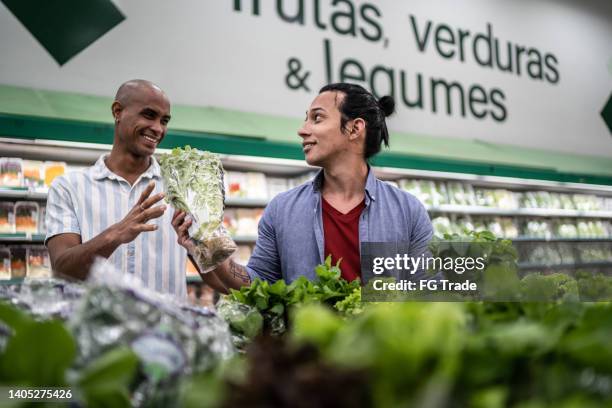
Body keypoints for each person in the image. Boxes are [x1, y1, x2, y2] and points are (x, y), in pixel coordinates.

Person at [173, 83, 433, 292]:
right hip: (306, 356)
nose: (302, 130)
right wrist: (204, 244)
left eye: (316, 119)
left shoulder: (408, 211)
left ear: (355, 128)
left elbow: (428, 292)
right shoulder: (282, 208)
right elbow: (256, 283)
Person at [45, 79, 188, 297]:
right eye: (149, 115)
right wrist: (116, 234)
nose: (158, 128)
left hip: (165, 329)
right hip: (94, 330)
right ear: (117, 111)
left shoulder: (182, 188)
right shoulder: (68, 188)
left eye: (164, 121)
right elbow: (62, 270)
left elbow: (213, 266)